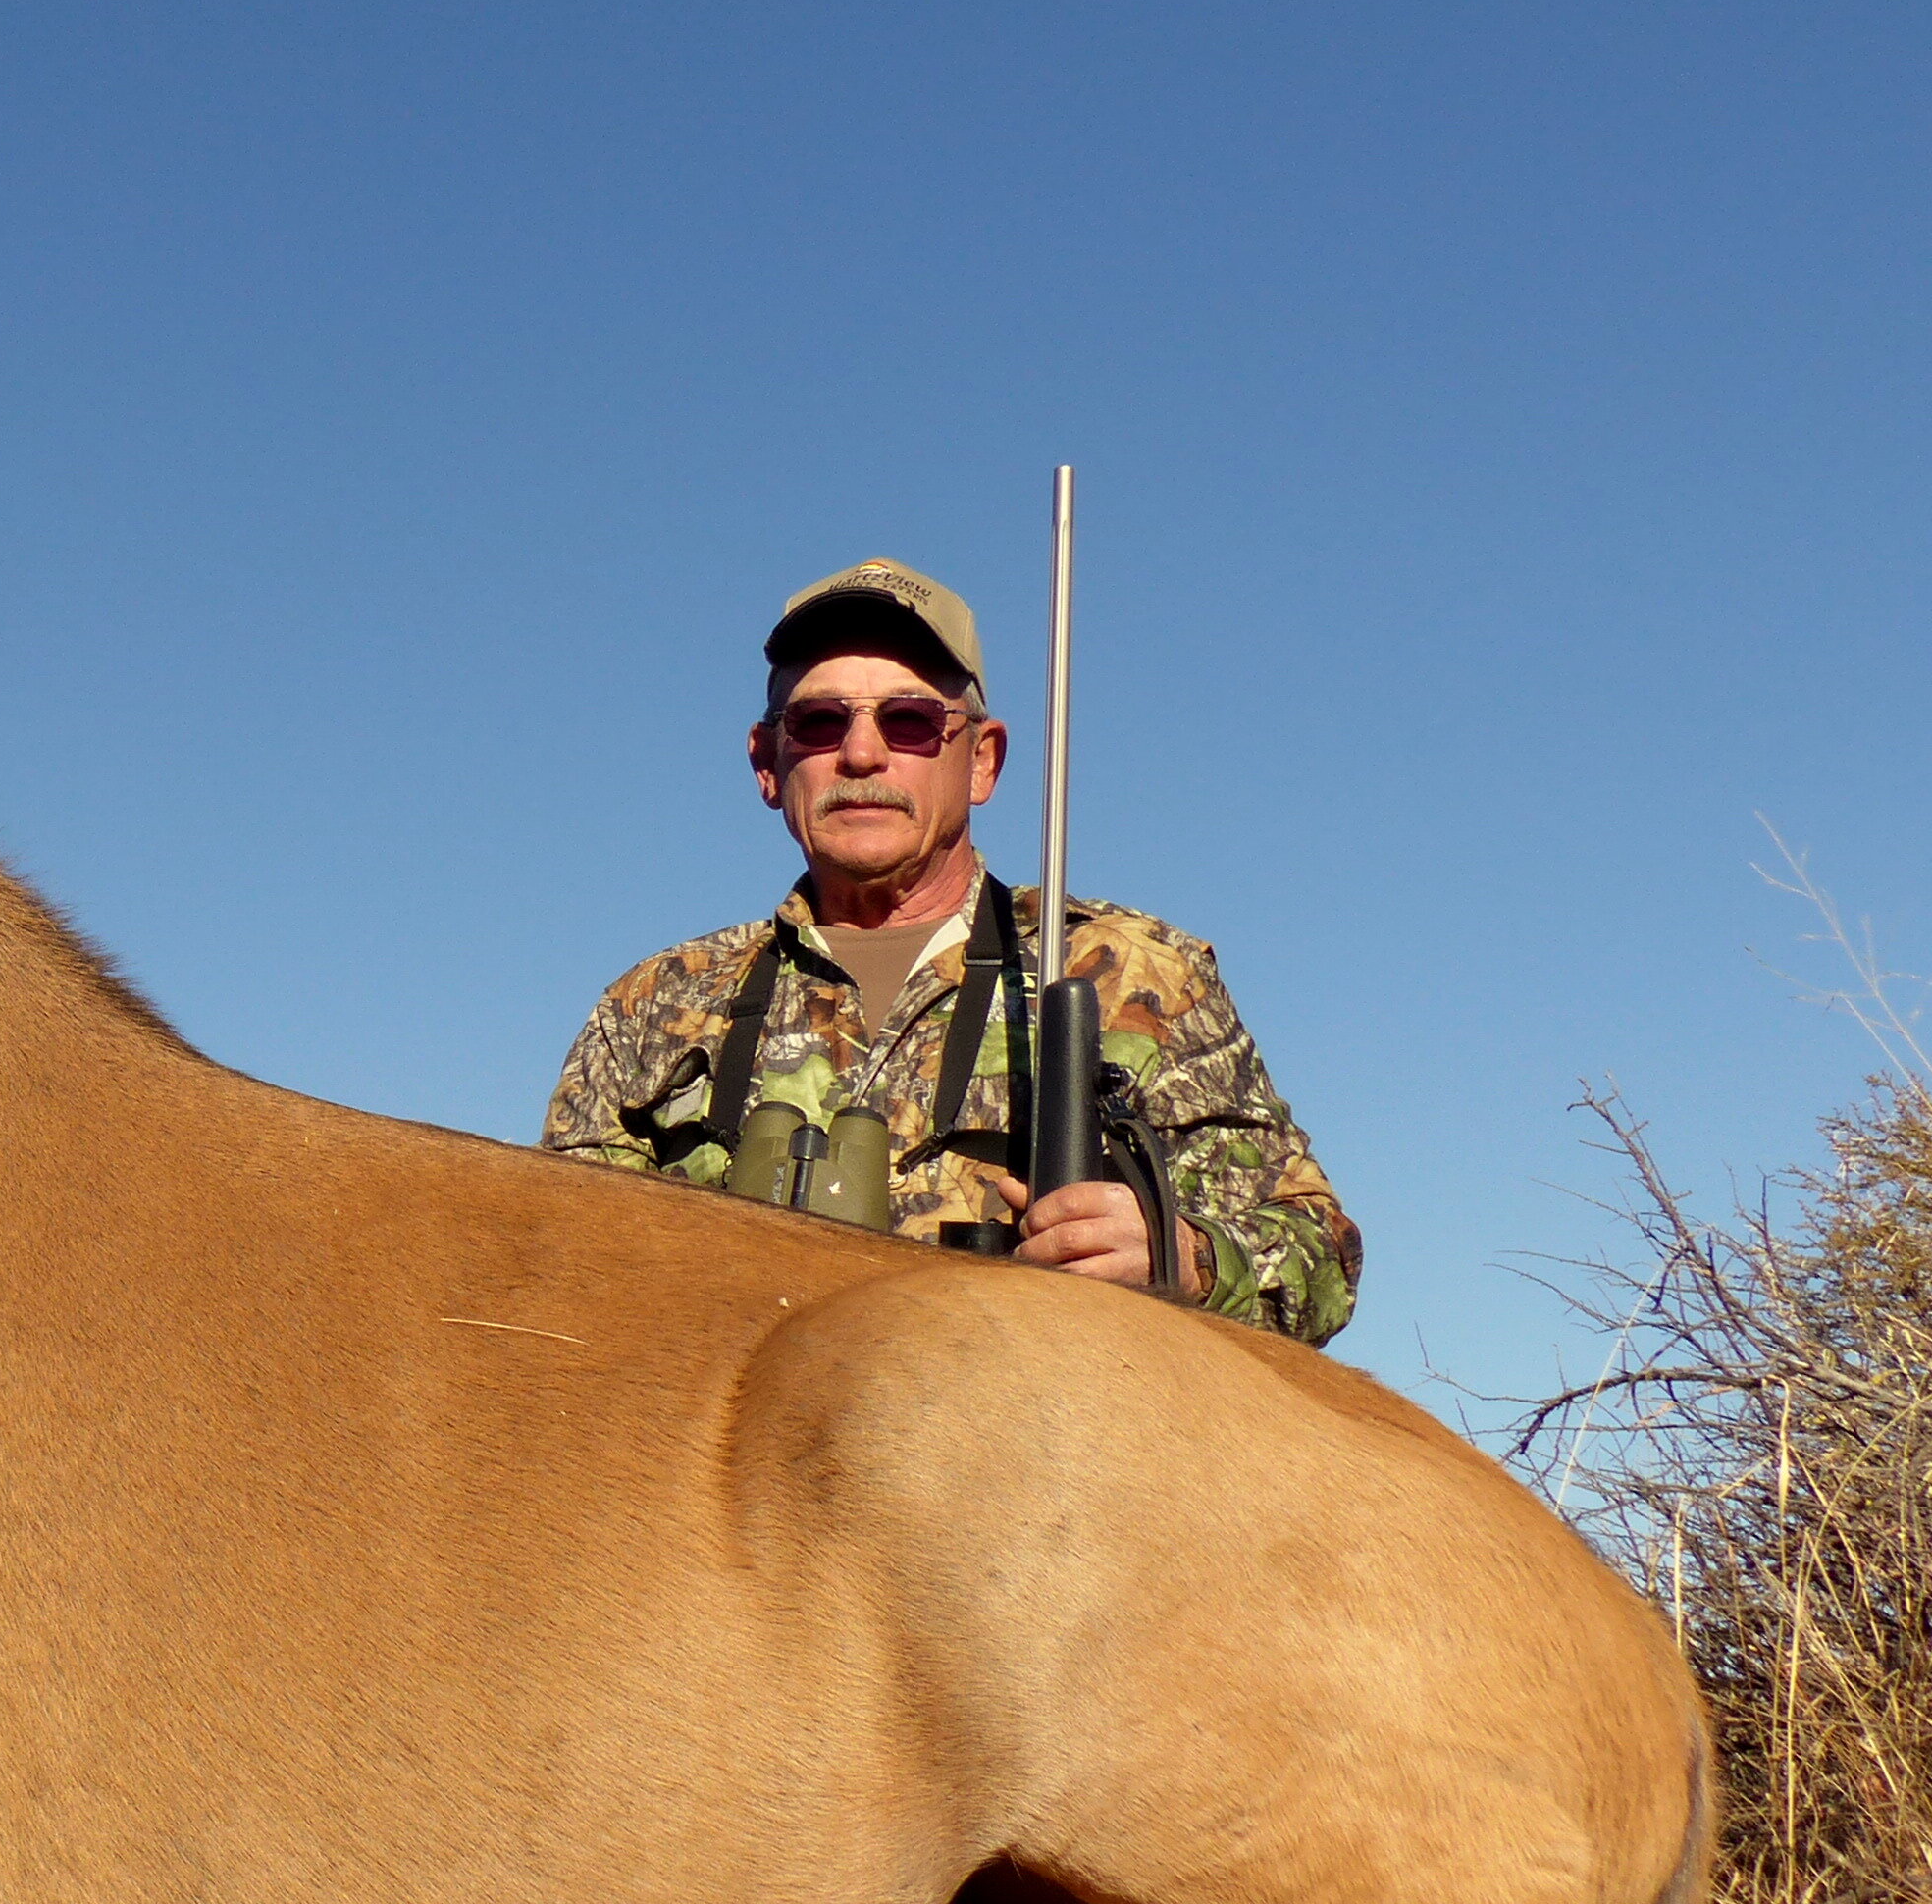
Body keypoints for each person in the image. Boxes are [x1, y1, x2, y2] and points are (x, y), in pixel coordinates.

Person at [542, 556, 1360, 1346]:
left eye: (910, 721)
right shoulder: (653, 1006)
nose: (861, 754)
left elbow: (1324, 1252)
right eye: (819, 723)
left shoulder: (1135, 974)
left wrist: (1184, 1259)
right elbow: (552, 1273)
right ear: (767, 763)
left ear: (984, 760)